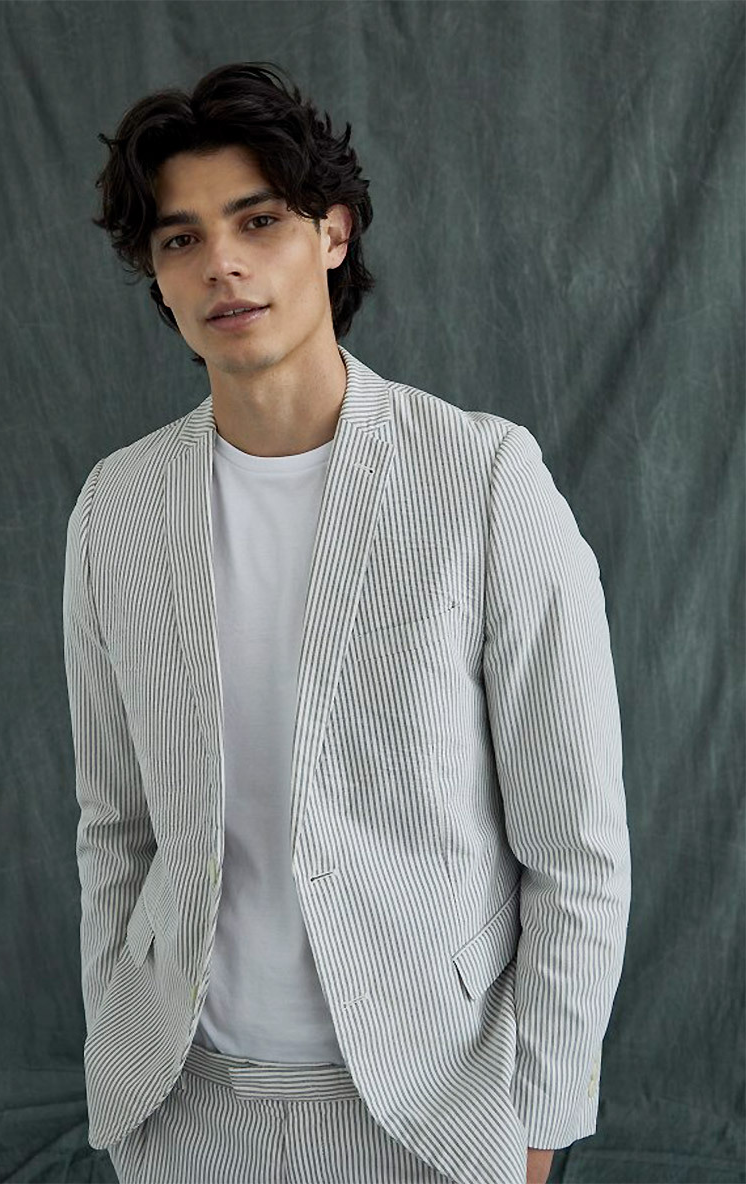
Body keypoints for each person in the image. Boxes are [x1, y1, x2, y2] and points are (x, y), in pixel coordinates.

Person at [63, 60, 631, 1184]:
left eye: (257, 220)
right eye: (180, 239)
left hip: (432, 1109)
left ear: (332, 230)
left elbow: (576, 848)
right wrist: (122, 1070)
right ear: (157, 276)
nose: (221, 263)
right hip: (184, 1108)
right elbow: (114, 828)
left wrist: (537, 1126)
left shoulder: (482, 479)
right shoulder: (115, 508)